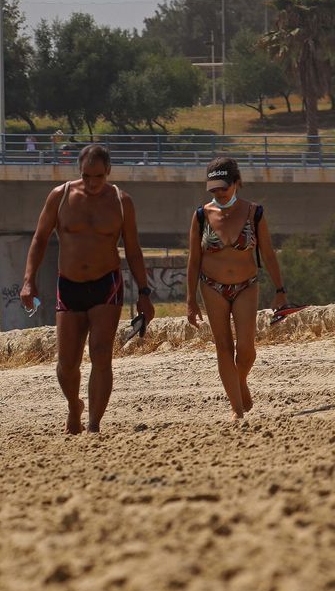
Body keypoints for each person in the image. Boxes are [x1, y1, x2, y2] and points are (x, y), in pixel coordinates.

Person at [19, 144, 156, 434]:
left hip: (106, 284)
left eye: (98, 176)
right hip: (68, 285)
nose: (93, 183)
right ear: (79, 172)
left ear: (108, 171)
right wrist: (29, 280)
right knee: (66, 364)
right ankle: (74, 406)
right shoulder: (61, 196)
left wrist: (144, 293)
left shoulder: (121, 202)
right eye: (86, 176)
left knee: (101, 352)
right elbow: (39, 239)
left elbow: (133, 252)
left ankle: (94, 424)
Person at [184, 157, 289, 420]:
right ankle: (237, 409)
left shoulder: (255, 213)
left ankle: (240, 382)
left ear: (237, 183)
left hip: (246, 286)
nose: (219, 194)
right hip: (211, 286)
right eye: (214, 189)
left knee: (246, 348)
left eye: (224, 188)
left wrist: (280, 289)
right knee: (223, 347)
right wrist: (190, 300)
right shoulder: (201, 216)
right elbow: (193, 260)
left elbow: (268, 253)